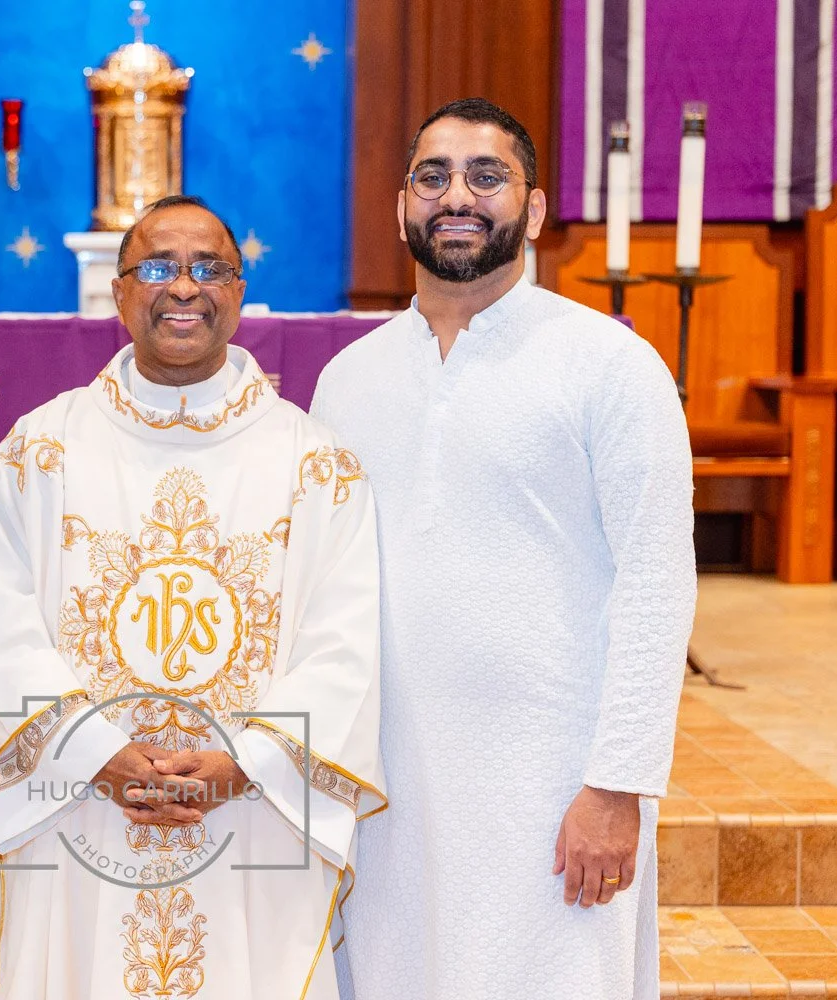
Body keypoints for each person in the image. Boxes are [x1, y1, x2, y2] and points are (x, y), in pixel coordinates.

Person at [0, 195, 386, 1000]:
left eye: (207, 268)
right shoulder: (40, 452)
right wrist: (92, 753)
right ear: (119, 292)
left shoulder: (316, 464)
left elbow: (345, 638)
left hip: (252, 814)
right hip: (80, 803)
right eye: (157, 267)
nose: (183, 288)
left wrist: (245, 764)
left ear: (241, 288)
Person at [313, 98, 696, 1000]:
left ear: (532, 209)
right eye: (433, 175)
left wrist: (618, 784)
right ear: (401, 205)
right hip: (389, 781)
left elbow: (656, 580)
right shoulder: (348, 379)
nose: (458, 195)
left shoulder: (608, 364)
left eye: (487, 177)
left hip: (550, 780)